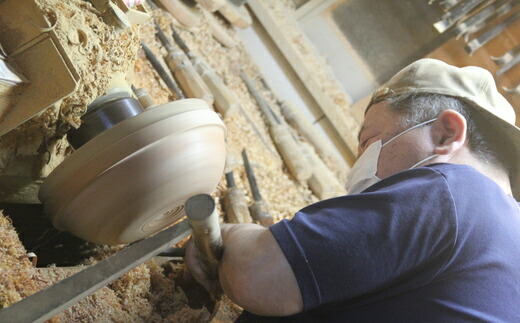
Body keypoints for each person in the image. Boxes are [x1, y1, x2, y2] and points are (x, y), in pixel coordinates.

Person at [185, 58, 520, 322]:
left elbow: (258, 276)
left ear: (446, 135)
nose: (361, 164)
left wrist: (228, 235)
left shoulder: (457, 194)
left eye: (369, 141)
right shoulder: (505, 231)